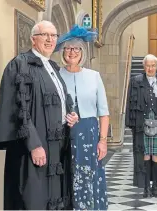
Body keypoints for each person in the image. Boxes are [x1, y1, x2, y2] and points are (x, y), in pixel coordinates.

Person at [0, 20, 78, 210]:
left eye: (54, 35)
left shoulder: (53, 67)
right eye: (44, 35)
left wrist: (71, 115)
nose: (50, 39)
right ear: (33, 39)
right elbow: (17, 108)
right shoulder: (20, 65)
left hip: (56, 146)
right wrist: (34, 145)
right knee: (32, 199)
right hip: (35, 146)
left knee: (54, 197)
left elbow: (62, 100)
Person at [55, 25, 109, 210]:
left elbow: (104, 112)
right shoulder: (56, 75)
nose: (72, 52)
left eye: (76, 48)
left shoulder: (94, 76)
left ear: (82, 52)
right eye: (68, 48)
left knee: (89, 174)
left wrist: (103, 141)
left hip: (89, 132)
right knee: (66, 173)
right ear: (63, 51)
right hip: (62, 133)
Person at [125, 54, 157, 198]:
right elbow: (130, 103)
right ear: (144, 66)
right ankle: (146, 187)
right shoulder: (136, 81)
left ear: (156, 67)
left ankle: (155, 187)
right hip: (142, 123)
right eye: (148, 65)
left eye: (153, 65)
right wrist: (132, 124)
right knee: (145, 155)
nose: (150, 68)